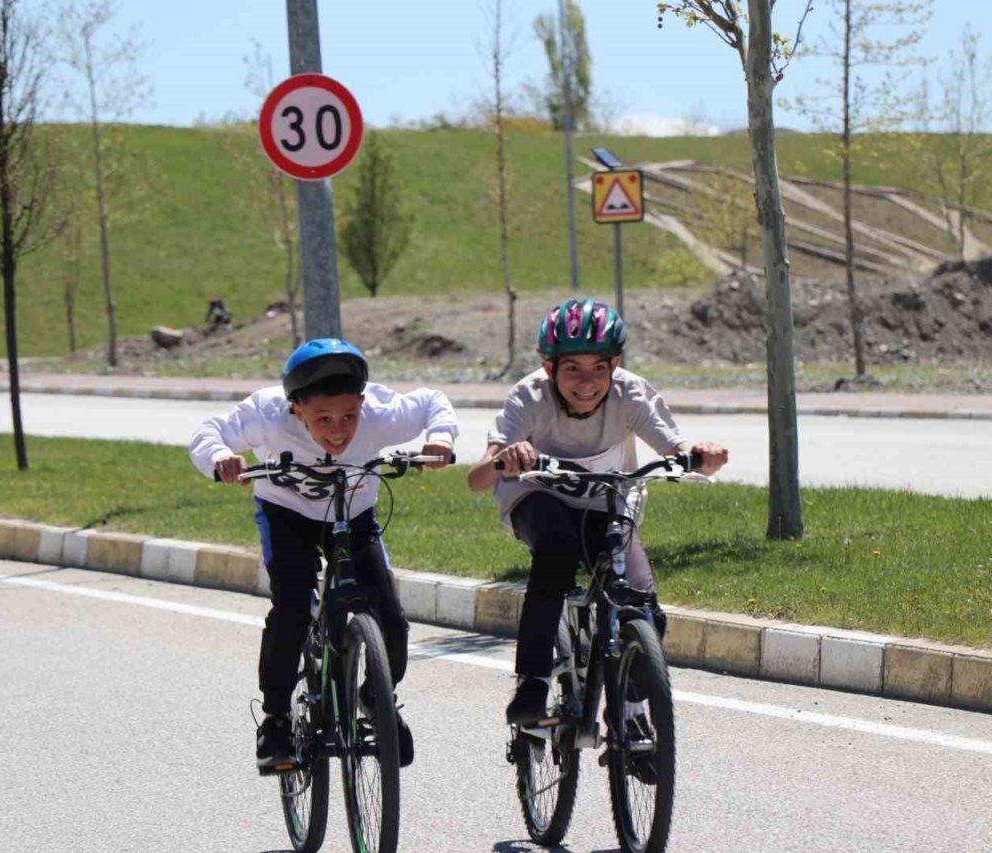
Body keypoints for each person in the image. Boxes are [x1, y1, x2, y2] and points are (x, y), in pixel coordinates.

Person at [190, 338, 457, 770]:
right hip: (286, 514)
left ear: (363, 404)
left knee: (391, 620)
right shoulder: (267, 412)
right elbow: (209, 431)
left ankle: (377, 701)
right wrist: (221, 456)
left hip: (354, 514)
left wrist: (441, 437)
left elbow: (432, 403)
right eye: (323, 418)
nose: (338, 430)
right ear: (296, 409)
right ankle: (276, 719)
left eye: (349, 416)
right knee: (293, 607)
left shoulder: (380, 414)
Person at [467, 298, 729, 725]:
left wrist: (702, 455)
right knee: (556, 551)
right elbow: (476, 478)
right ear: (550, 368)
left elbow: (676, 449)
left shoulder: (631, 393)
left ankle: (630, 711)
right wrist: (505, 459)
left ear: (615, 365)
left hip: (607, 501)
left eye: (598, 369)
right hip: (538, 498)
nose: (586, 383)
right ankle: (533, 681)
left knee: (639, 598)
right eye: (572, 369)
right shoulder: (528, 397)